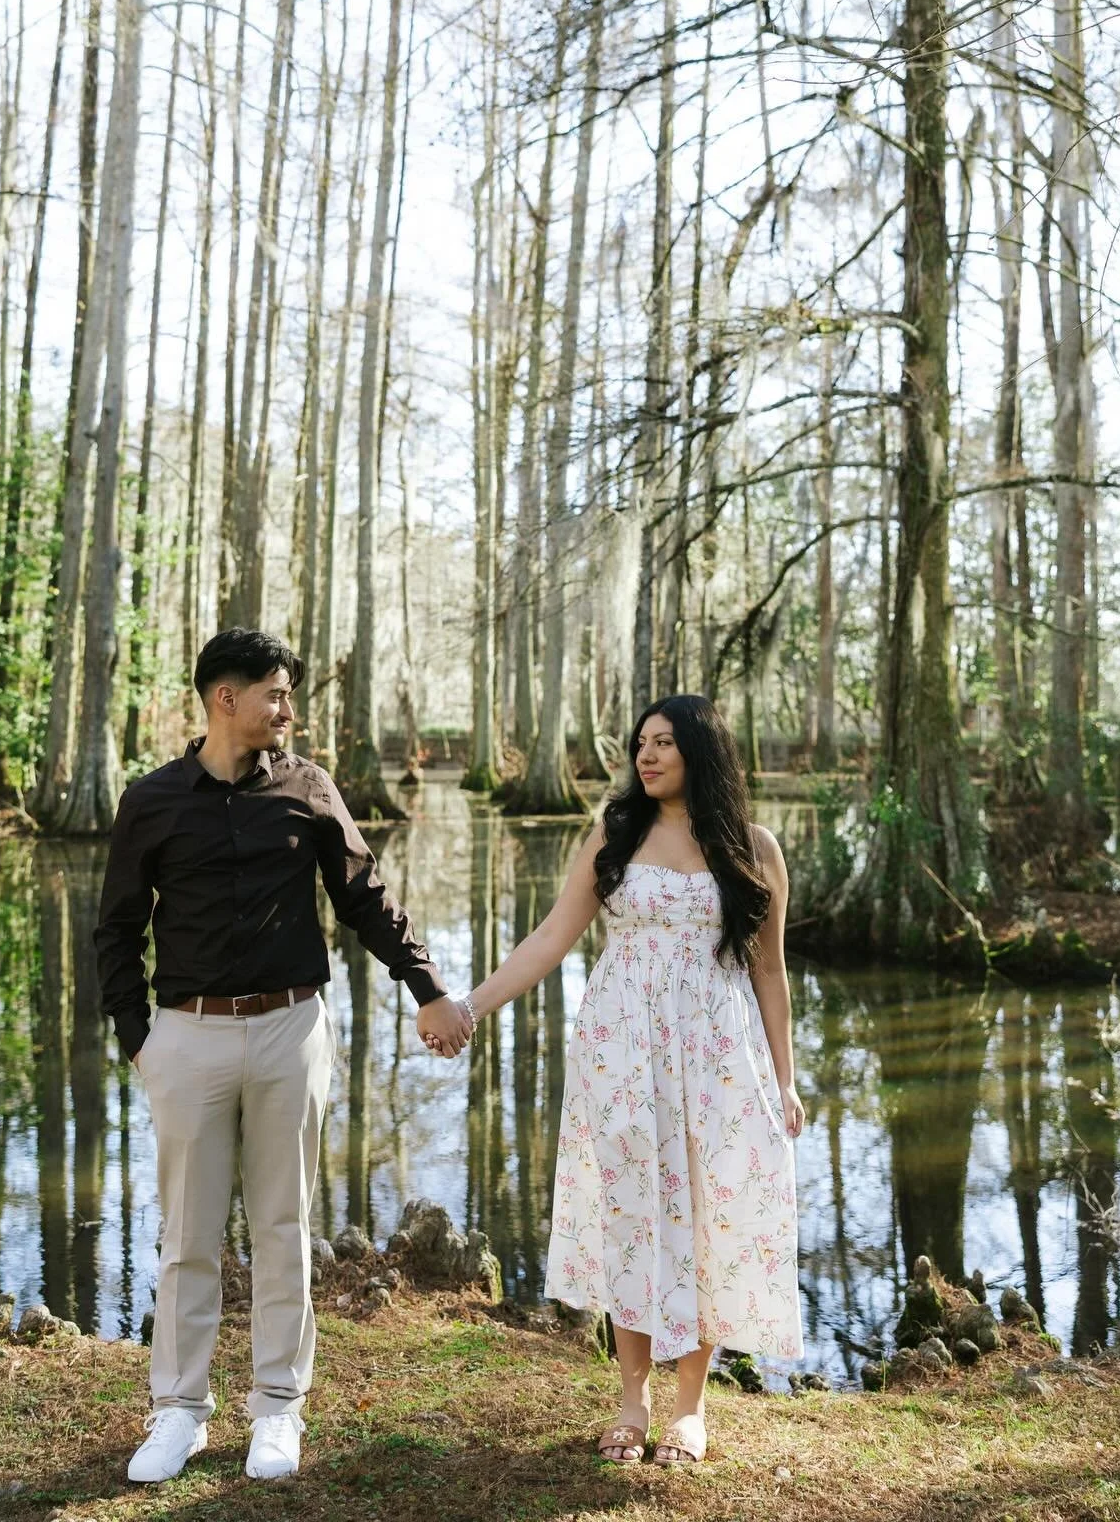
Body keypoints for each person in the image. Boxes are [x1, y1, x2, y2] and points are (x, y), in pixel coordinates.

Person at [95, 628, 470, 1486]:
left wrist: (429, 990)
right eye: (274, 693)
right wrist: (138, 1042)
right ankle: (179, 1412)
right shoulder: (150, 800)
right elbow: (115, 931)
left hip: (289, 1032)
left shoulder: (308, 788)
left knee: (282, 1228)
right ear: (224, 699)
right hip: (185, 1037)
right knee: (187, 1235)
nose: (288, 710)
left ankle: (278, 1407)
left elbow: (367, 898)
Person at [435, 694, 803, 1467]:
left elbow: (770, 974)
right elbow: (550, 938)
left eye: (665, 743)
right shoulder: (616, 833)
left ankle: (691, 1406)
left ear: (701, 751)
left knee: (706, 1215)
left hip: (715, 1057)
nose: (648, 755)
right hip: (622, 1052)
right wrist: (469, 1006)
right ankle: (633, 1397)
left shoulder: (755, 847)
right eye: (641, 742)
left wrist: (786, 1081)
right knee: (633, 1211)